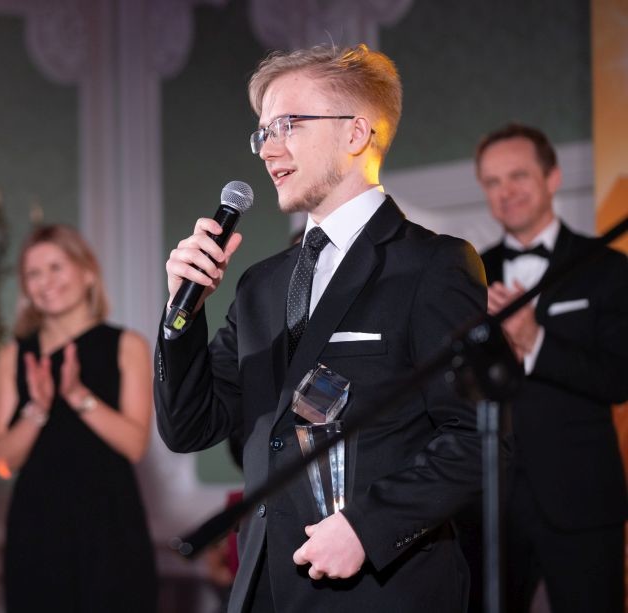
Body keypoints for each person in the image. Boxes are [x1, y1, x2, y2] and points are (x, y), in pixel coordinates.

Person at [155, 44, 487, 612]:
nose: (268, 149)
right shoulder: (260, 285)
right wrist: (181, 313)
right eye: (263, 133)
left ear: (356, 133)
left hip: (377, 592)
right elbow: (190, 426)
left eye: (288, 125)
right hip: (262, 588)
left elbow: (478, 436)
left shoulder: (432, 266)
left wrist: (368, 527)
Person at [475, 123, 628, 613]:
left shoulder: (606, 268)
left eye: (518, 175)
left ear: (552, 177)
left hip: (582, 501)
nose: (506, 191)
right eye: (493, 182)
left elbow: (619, 378)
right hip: (489, 503)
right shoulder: (469, 275)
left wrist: (534, 340)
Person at [0, 224, 157, 613]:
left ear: (87, 273)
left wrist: (78, 395)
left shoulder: (127, 345)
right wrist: (38, 409)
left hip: (110, 522)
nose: (46, 281)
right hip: (37, 525)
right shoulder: (15, 355)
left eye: (56, 267)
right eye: (34, 273)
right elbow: (3, 459)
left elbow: (134, 445)